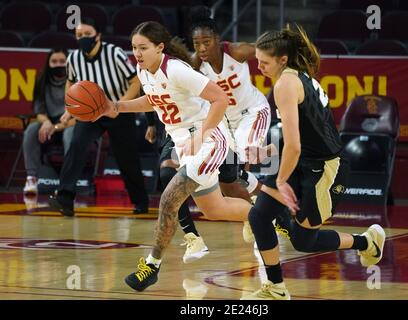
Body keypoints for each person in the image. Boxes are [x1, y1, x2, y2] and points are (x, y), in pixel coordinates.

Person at [97, 21, 254, 291]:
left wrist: (202, 134)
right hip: (182, 141)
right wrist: (118, 106)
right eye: (134, 47)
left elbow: (220, 99)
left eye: (143, 48)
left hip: (207, 139)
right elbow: (154, 100)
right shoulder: (143, 70)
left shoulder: (177, 70)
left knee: (169, 199)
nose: (137, 53)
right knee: (216, 209)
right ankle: (267, 216)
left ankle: (152, 265)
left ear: (160, 47)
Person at [241, 25, 386, 300]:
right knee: (258, 215)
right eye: (256, 61)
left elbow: (295, 145)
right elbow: (295, 136)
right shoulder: (297, 76)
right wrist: (265, 152)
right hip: (305, 159)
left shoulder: (286, 84)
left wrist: (280, 181)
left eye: (264, 62)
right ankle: (275, 288)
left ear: (282, 60)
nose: (258, 67)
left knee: (303, 241)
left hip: (325, 169)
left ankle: (367, 242)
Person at [151, 6, 273, 264]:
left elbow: (267, 49)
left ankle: (266, 208)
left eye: (206, 42)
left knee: (242, 163)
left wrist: (288, 66)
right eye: (197, 43)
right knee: (229, 181)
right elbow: (169, 93)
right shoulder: (193, 63)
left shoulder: (236, 51)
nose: (202, 48)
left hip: (251, 112)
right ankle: (258, 209)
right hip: (222, 122)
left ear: (218, 40)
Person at [48, 17, 149, 216]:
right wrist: (69, 109)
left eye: (87, 34)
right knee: (76, 145)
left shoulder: (114, 53)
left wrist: (118, 106)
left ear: (98, 35)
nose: (83, 38)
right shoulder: (74, 58)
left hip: (119, 108)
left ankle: (140, 202)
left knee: (126, 158)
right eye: (79, 35)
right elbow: (71, 84)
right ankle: (65, 198)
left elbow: (136, 82)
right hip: (91, 113)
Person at [23, 48, 75, 194]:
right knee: (31, 130)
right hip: (49, 122)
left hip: (70, 123)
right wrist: (46, 122)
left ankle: (68, 181)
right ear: (48, 63)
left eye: (61, 61)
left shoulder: (77, 81)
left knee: (70, 134)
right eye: (54, 61)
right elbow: (39, 111)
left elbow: (81, 118)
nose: (58, 64)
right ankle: (31, 178)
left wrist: (57, 127)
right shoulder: (41, 79)